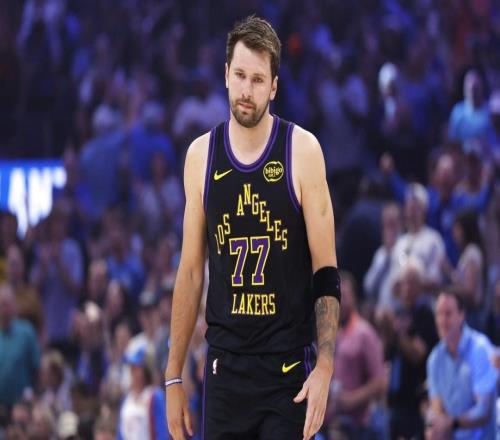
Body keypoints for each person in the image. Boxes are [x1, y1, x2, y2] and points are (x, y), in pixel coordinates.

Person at [165, 15, 341, 440]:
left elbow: (325, 271)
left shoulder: (302, 150)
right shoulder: (200, 157)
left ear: (274, 87)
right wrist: (173, 375)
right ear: (226, 74)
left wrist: (325, 366)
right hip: (225, 369)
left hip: (288, 370)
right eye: (240, 76)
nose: (247, 90)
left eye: (258, 80)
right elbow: (191, 272)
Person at [426, 289, 497, 439]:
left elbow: (483, 411)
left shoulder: (480, 349)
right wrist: (438, 427)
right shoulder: (434, 359)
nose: (442, 321)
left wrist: (451, 424)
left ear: (461, 316)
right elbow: (438, 409)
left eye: (448, 314)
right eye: (439, 314)